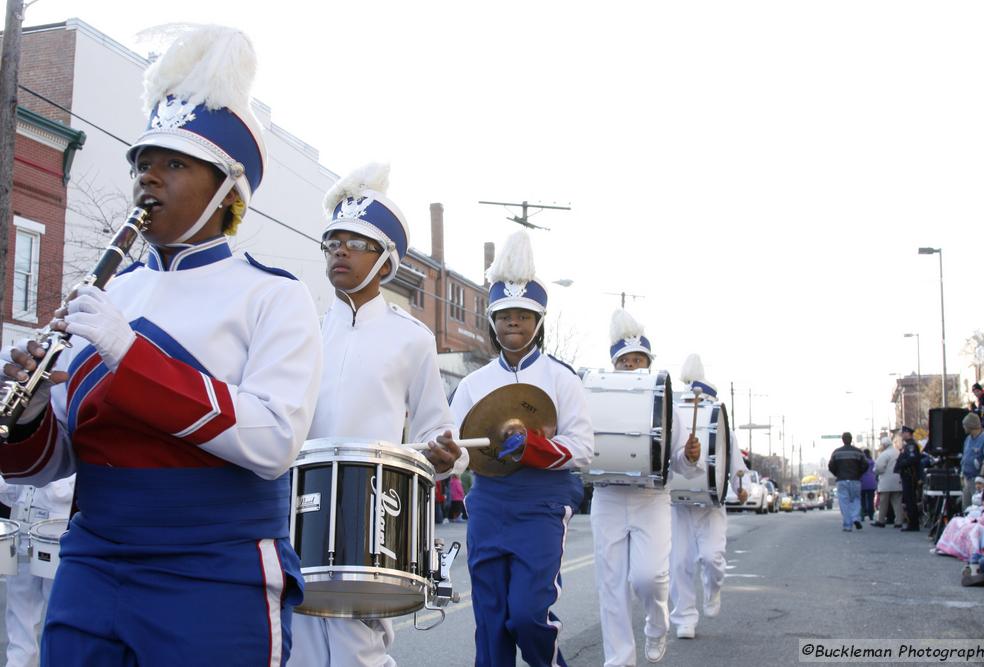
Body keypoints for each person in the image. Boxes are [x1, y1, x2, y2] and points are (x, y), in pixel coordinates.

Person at [0, 26, 323, 665]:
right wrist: (31, 416)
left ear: (228, 191)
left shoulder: (274, 296)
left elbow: (274, 440)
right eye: (143, 162)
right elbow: (52, 464)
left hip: (213, 570)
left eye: (174, 163)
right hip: (91, 561)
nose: (149, 176)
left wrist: (132, 357)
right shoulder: (112, 290)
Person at [287, 164, 463, 667]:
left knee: (355, 652)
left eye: (355, 242)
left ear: (385, 262)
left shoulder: (413, 338)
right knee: (296, 649)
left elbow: (436, 431)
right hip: (301, 508)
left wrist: (446, 456)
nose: (339, 250)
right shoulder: (306, 330)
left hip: (374, 514)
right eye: (333, 241)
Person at [449, 230, 594, 667]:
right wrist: (444, 455)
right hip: (489, 503)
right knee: (491, 624)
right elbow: (456, 448)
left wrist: (533, 447)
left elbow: (584, 448)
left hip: (542, 502)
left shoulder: (563, 378)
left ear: (539, 321)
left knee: (529, 616)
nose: (514, 322)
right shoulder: (473, 384)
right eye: (505, 314)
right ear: (492, 322)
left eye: (524, 315)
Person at [589, 311, 689, 664]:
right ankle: (619, 660)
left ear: (648, 364)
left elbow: (677, 460)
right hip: (609, 496)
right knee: (611, 586)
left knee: (651, 578)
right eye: (625, 361)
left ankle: (657, 626)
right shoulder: (597, 398)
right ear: (615, 365)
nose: (632, 365)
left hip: (652, 498)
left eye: (638, 360)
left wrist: (689, 456)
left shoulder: (666, 403)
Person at [668, 353, 748, 643]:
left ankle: (713, 589)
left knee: (712, 559)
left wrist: (742, 486)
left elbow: (737, 466)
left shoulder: (724, 428)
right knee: (679, 563)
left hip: (712, 505)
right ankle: (684, 617)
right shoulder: (676, 421)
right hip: (680, 506)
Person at [0, 476, 75, 667]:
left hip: (55, 535)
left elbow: (67, 493)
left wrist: (37, 473)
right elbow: (9, 494)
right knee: (18, 614)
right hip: (22, 532)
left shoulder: (67, 453)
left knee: (58, 613)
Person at [828, 432, 867, 531]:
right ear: (851, 439)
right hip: (855, 479)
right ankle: (855, 517)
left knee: (844, 502)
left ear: (843, 440)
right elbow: (865, 465)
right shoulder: (858, 452)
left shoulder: (836, 452)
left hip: (842, 480)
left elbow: (831, 466)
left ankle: (847, 525)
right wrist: (859, 473)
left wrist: (837, 473)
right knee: (856, 499)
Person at [895, 426, 923, 531]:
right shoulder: (907, 445)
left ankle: (913, 524)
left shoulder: (911, 446)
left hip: (910, 475)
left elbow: (912, 459)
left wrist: (901, 463)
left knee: (910, 500)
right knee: (908, 500)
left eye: (903, 433)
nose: (902, 435)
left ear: (908, 433)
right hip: (907, 475)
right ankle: (912, 522)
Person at [960, 412, 984, 510]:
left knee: (977, 507)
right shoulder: (968, 439)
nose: (963, 427)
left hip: (978, 480)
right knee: (966, 507)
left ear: (971, 425)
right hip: (967, 479)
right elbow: (965, 456)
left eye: (965, 425)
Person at [873, 436, 902, 527]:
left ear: (884, 445)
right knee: (897, 502)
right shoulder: (898, 452)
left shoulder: (884, 454)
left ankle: (881, 520)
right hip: (898, 480)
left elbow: (879, 468)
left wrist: (876, 472)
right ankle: (899, 521)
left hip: (886, 482)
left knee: (883, 502)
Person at [860, 448, 877, 522]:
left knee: (862, 499)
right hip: (872, 481)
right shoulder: (872, 462)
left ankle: (863, 514)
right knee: (870, 499)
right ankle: (871, 515)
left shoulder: (861, 462)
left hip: (863, 482)